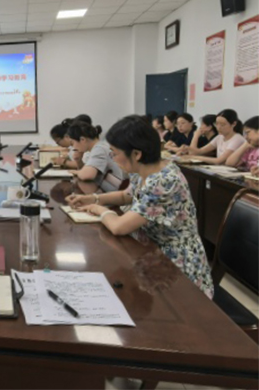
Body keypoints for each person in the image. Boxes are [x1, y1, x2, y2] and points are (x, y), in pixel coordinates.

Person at [66, 115, 213, 299]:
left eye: (115, 153)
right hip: (150, 253)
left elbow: (119, 227)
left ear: (136, 154)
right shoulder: (143, 170)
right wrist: (92, 198)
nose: (113, 158)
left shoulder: (164, 181)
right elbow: (125, 195)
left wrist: (99, 210)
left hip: (176, 266)